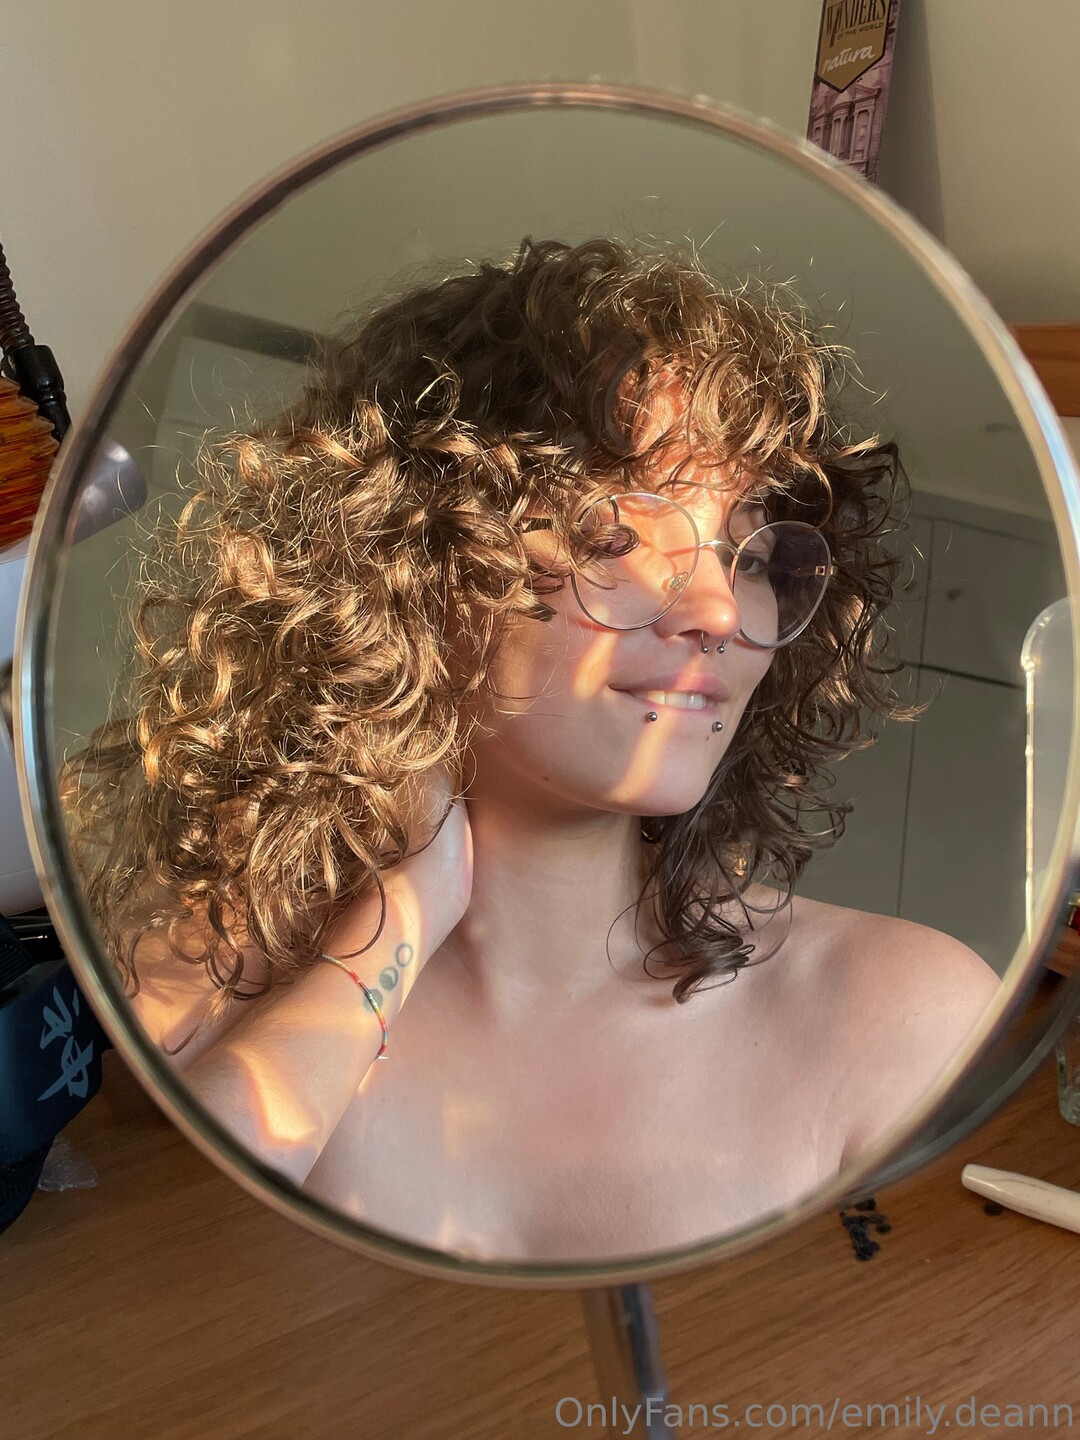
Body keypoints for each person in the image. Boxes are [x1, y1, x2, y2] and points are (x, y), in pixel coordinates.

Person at [60, 237, 1000, 1263]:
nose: (722, 611)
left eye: (751, 552)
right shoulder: (201, 974)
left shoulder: (901, 1023)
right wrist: (405, 911)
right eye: (613, 538)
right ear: (410, 568)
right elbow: (154, 1286)